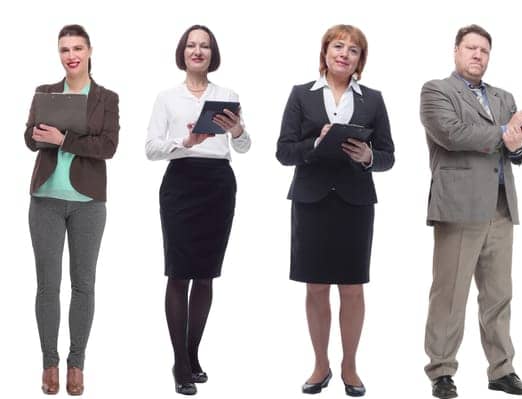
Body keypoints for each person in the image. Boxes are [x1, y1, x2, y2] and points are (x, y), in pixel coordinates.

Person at [276, 24, 395, 398]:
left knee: (353, 288)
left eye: (354, 50)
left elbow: (389, 155)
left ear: (361, 60)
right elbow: (283, 151)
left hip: (354, 201)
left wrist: (368, 156)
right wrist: (317, 142)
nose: (344, 53)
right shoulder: (301, 95)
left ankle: (350, 366)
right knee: (315, 286)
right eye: (338, 46)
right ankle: (320, 364)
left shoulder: (373, 99)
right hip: (311, 200)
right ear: (325, 52)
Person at [418, 24, 522, 399]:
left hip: (500, 206)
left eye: (484, 50)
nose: (477, 55)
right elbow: (451, 134)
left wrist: (517, 145)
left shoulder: (504, 96)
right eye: (470, 48)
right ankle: (441, 371)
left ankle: (502, 370)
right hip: (459, 207)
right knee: (450, 295)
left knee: (499, 295)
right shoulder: (437, 91)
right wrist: (505, 133)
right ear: (456, 51)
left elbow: (521, 148)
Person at [145, 24, 250, 396]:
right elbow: (151, 148)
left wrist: (237, 130)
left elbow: (245, 147)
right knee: (179, 273)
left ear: (212, 53)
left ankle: (192, 354)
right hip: (181, 183)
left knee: (205, 275)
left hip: (218, 185)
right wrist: (186, 141)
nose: (198, 51)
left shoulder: (228, 94)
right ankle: (179, 362)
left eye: (204, 46)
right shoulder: (167, 98)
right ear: (183, 52)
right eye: (191, 45)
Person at [25, 23, 119, 397]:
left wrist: (64, 139)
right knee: (48, 286)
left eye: (77, 48)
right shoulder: (45, 92)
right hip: (45, 199)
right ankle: (49, 364)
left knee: (84, 285)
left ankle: (76, 365)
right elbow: (27, 138)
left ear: (90, 51)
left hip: (89, 203)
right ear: (59, 54)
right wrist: (38, 135)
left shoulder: (106, 98)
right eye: (65, 49)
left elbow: (108, 146)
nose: (71, 55)